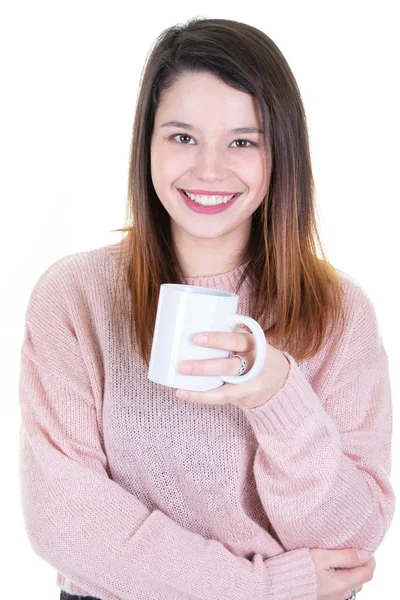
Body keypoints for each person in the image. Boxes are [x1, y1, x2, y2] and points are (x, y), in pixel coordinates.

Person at [18, 16, 394, 600]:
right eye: (183, 137)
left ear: (281, 154)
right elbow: (66, 522)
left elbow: (349, 543)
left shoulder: (338, 312)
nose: (209, 169)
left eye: (242, 141)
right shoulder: (75, 296)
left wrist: (277, 395)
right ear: (147, 144)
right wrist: (265, 586)